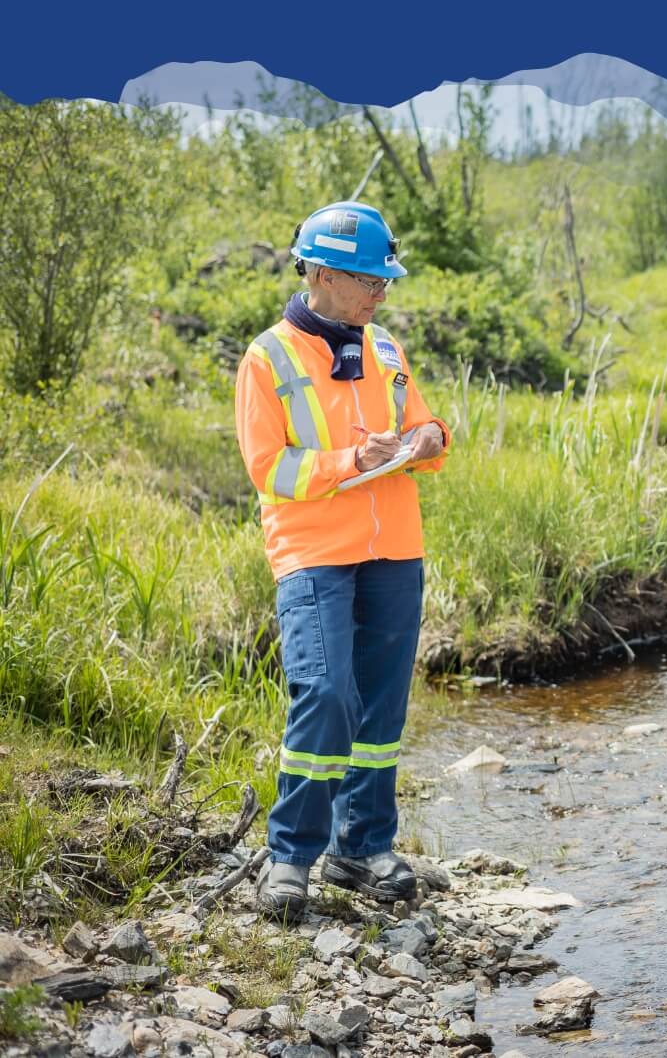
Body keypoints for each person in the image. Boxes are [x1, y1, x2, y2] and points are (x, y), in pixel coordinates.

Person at [233, 201, 451, 922]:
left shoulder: (385, 347)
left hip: (395, 549)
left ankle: (362, 847)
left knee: (382, 706)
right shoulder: (267, 358)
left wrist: (429, 439)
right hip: (313, 553)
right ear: (321, 273)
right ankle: (293, 856)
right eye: (370, 278)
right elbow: (268, 470)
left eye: (386, 278)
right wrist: (347, 461)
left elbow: (426, 423)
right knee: (327, 695)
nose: (382, 290)